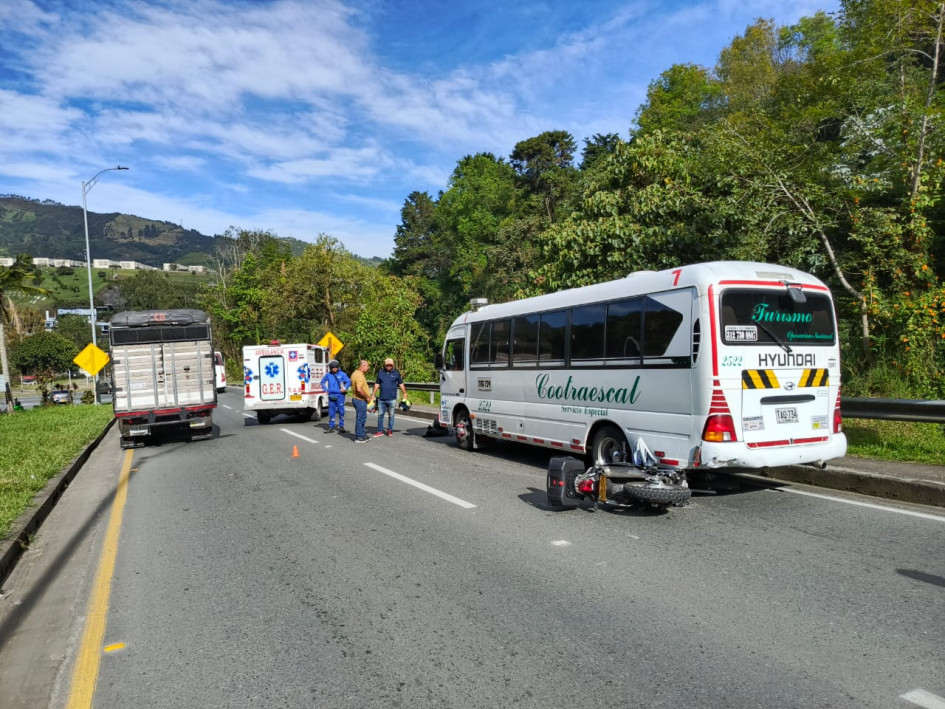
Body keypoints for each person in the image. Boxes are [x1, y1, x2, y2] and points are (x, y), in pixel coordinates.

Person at [372, 357, 408, 437]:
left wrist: (404, 393)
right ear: (384, 365)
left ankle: (389, 430)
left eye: (390, 365)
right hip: (382, 398)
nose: (389, 366)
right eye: (387, 365)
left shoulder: (396, 373)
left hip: (392, 398)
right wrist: (373, 394)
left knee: (391, 415)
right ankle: (380, 431)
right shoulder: (380, 372)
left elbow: (401, 383)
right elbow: (377, 383)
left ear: (393, 365)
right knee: (380, 415)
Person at [319, 360, 351, 433]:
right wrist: (326, 390)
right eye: (333, 368)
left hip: (340, 396)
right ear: (330, 368)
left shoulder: (342, 374)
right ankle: (331, 426)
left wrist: (344, 388)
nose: (334, 369)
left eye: (335, 368)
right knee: (331, 412)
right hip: (331, 395)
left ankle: (341, 426)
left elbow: (349, 381)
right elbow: (322, 382)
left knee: (341, 411)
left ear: (338, 367)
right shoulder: (328, 375)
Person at [350, 359, 374, 442]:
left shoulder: (355, 373)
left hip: (358, 399)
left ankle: (362, 434)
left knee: (362, 417)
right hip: (360, 400)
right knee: (361, 418)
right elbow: (359, 389)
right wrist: (367, 397)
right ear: (363, 366)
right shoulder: (359, 375)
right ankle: (359, 437)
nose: (368, 368)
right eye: (367, 366)